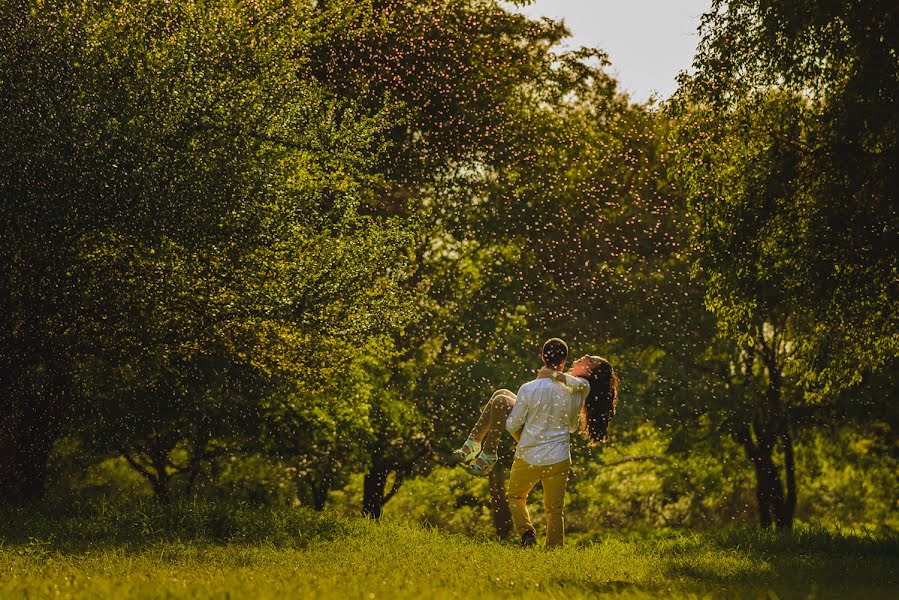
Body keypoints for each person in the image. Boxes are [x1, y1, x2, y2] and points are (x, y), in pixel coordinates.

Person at [453, 338, 618, 548]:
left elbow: (512, 425)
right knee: (555, 508)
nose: (585, 356)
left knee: (515, 496)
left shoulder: (570, 385)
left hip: (530, 449)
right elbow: (572, 425)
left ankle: (487, 453)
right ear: (564, 359)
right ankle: (554, 546)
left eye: (590, 360)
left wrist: (546, 382)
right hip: (558, 456)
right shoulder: (574, 387)